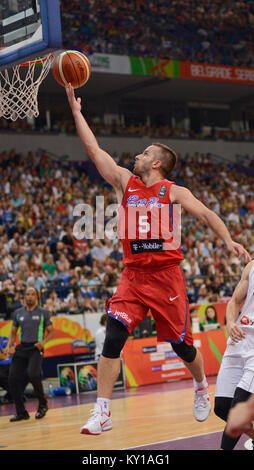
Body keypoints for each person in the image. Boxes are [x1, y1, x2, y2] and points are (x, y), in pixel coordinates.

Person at [65, 83, 250, 436]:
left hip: (167, 277)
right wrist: (76, 111)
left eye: (144, 152)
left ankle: (200, 386)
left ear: (157, 162)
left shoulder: (173, 191)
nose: (136, 155)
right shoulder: (125, 182)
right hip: (133, 276)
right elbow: (94, 151)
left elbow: (208, 214)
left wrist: (227, 241)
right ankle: (102, 411)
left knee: (182, 345)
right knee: (113, 337)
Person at [214, 260, 254, 450]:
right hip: (239, 339)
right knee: (222, 407)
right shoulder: (251, 266)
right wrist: (230, 323)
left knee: (239, 407)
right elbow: (235, 301)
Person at [4, 287, 54, 422]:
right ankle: (21, 412)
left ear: (37, 296)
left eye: (32, 294)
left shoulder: (43, 312)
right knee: (12, 378)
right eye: (27, 294)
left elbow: (51, 332)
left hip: (36, 348)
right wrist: (9, 346)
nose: (30, 296)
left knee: (33, 374)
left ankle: (43, 405)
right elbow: (13, 333)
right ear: (24, 297)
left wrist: (43, 342)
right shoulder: (17, 313)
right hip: (22, 349)